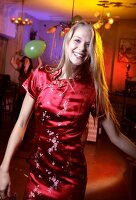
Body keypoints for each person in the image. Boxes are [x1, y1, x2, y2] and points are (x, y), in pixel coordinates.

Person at [0, 21, 136, 200]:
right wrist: (3, 169)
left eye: (88, 45)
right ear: (68, 41)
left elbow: (116, 136)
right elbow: (21, 124)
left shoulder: (93, 89)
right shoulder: (40, 76)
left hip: (70, 181)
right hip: (37, 174)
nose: (81, 48)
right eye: (77, 40)